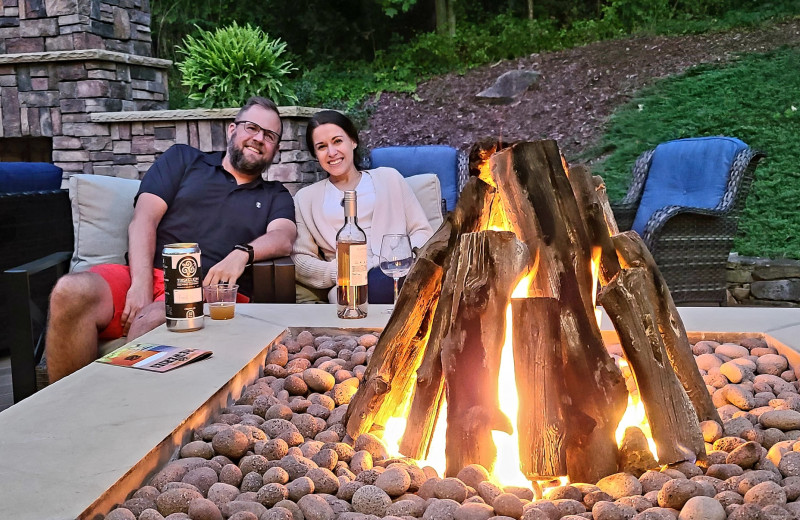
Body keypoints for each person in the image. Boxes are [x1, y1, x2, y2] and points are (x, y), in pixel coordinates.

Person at [46, 96, 297, 382]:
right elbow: (144, 219)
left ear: (275, 149)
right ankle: (66, 414)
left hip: (208, 290)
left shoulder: (274, 194)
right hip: (147, 274)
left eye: (269, 135)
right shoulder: (183, 160)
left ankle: (120, 415)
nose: (258, 138)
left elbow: (284, 236)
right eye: (251, 128)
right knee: (70, 290)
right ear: (232, 130)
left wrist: (241, 253)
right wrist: (139, 285)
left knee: (154, 319)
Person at [292, 110, 433, 303]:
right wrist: (338, 271)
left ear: (353, 141)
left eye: (338, 141)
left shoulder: (389, 178)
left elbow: (422, 232)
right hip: (351, 286)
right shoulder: (305, 199)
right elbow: (300, 260)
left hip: (400, 271)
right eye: (322, 146)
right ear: (316, 154)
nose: (332, 152)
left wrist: (393, 260)